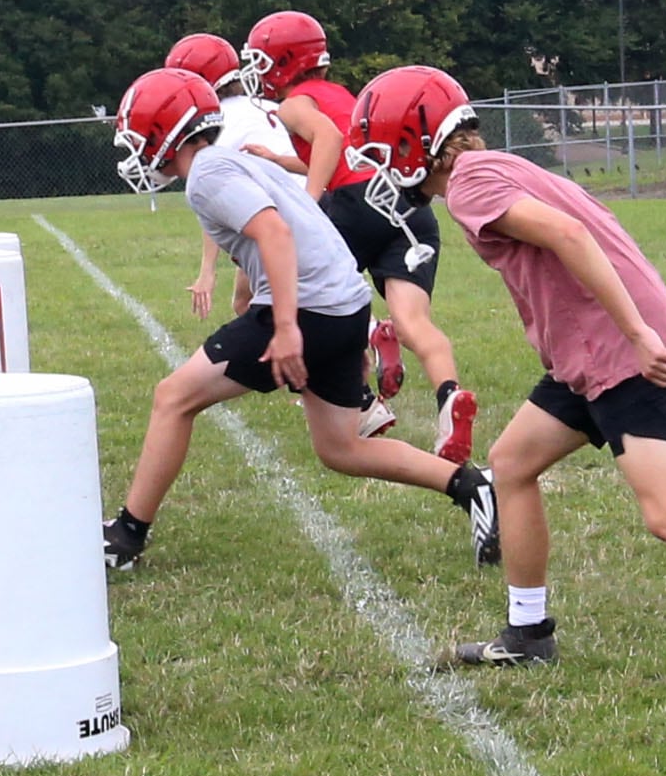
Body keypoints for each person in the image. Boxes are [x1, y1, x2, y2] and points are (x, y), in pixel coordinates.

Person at [348, 66, 666, 723]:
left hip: (615, 353)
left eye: (381, 149)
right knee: (512, 463)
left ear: (417, 141)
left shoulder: (471, 184)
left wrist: (636, 332)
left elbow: (570, 235)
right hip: (587, 355)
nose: (380, 167)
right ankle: (528, 634)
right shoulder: (498, 166)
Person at [100, 67, 497, 574]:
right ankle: (471, 485)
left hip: (309, 310)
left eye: (138, 137)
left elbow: (275, 234)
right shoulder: (228, 164)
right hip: (343, 306)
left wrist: (285, 326)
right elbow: (287, 227)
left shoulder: (207, 175)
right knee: (341, 448)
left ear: (162, 132)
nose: (135, 150)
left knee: (173, 398)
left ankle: (127, 535)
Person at [243, 10, 478, 461]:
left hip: (353, 202)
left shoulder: (294, 103)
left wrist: (308, 204)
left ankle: (363, 402)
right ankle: (449, 398)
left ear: (281, 62)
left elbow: (329, 143)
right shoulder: (340, 93)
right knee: (415, 322)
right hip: (405, 197)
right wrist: (279, 160)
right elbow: (344, 151)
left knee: (319, 303)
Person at [164, 32, 306, 322]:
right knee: (246, 301)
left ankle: (330, 346)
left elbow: (216, 197)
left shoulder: (216, 123)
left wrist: (207, 271)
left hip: (278, 217)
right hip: (310, 203)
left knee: (279, 305)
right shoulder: (265, 105)